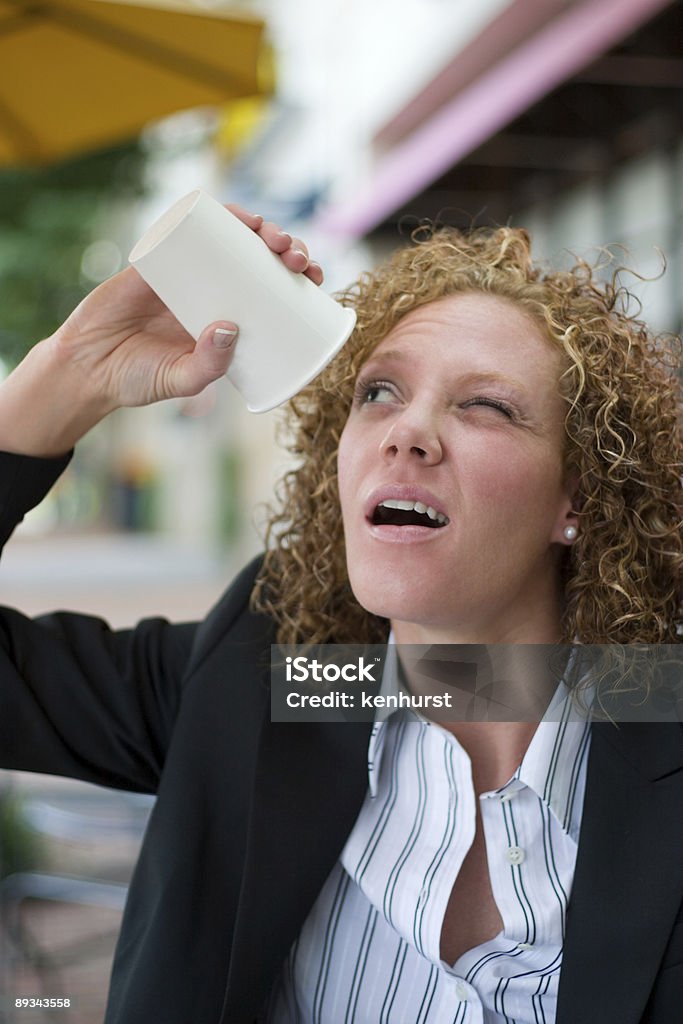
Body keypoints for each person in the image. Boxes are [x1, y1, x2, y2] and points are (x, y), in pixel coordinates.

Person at [0, 208, 681, 1024]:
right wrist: (66, 378)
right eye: (378, 393)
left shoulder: (660, 739)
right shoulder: (252, 673)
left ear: (575, 499)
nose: (407, 433)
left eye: (486, 407)